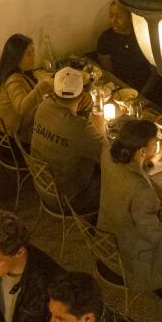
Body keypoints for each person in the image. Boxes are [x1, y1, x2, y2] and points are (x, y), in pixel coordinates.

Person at [99, 120, 162, 302]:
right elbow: (154, 235)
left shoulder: (108, 155)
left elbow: (130, 171)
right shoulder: (141, 191)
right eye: (155, 142)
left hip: (108, 231)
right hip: (131, 248)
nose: (157, 145)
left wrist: (149, 162)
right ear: (142, 151)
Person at [30, 67, 106, 213]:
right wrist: (100, 128)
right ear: (82, 94)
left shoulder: (43, 106)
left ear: (55, 91)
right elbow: (107, 156)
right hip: (67, 200)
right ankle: (99, 226)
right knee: (115, 179)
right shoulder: (80, 128)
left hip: (41, 186)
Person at [0, 33, 52, 140]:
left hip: (6, 128)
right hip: (12, 137)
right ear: (16, 58)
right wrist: (43, 85)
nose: (33, 56)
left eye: (33, 51)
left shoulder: (12, 71)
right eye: (28, 54)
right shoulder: (13, 79)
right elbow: (22, 108)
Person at [97, 0, 155, 92]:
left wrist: (143, 94)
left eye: (119, 17)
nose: (113, 21)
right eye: (111, 16)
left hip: (146, 89)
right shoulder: (106, 38)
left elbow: (154, 73)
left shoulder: (143, 37)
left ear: (130, 17)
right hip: (118, 88)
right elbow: (108, 73)